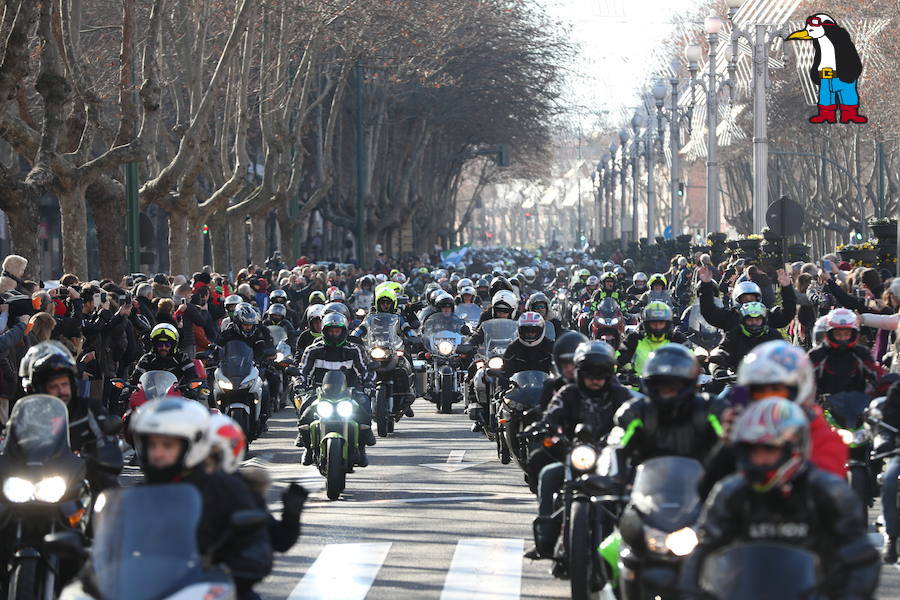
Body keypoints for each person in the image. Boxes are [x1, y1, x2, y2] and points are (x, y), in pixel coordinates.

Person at [678, 398, 879, 600]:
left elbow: (860, 557)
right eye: (753, 450)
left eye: (769, 449)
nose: (760, 459)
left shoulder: (827, 492)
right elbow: (704, 548)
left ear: (793, 448)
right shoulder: (730, 492)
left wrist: (850, 594)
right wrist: (691, 594)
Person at [131, 397, 272, 600]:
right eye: (152, 445)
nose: (157, 453)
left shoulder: (225, 488)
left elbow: (256, 544)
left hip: (211, 590)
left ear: (193, 445)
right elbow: (112, 546)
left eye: (167, 445)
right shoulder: (140, 495)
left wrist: (242, 565)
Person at [698, 340, 847, 499]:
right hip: (746, 517)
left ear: (797, 390)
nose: (769, 400)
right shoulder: (740, 427)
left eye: (777, 390)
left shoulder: (818, 432)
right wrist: (727, 445)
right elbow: (707, 494)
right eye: (760, 391)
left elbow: (833, 496)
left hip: (803, 517)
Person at [526, 341, 634, 559]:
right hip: (575, 456)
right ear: (579, 372)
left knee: (636, 484)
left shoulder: (621, 395)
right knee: (548, 475)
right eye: (589, 373)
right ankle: (546, 539)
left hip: (613, 459)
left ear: (609, 373)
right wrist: (544, 426)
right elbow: (553, 413)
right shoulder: (568, 393)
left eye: (601, 374)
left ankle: (637, 541)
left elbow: (638, 414)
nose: (595, 379)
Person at [19, 341, 122, 492]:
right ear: (40, 389)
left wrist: (99, 458)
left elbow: (105, 443)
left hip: (82, 481)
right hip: (36, 483)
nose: (61, 391)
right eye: (54, 386)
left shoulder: (89, 410)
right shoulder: (28, 415)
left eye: (64, 384)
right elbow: (12, 446)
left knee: (110, 494)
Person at [611, 344, 721, 469]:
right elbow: (616, 450)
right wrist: (613, 479)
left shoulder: (710, 409)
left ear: (689, 384)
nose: (668, 391)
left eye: (675, 386)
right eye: (661, 385)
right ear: (650, 384)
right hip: (646, 485)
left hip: (702, 485)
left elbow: (732, 446)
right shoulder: (635, 412)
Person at [296, 312, 375, 466]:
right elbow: (303, 371)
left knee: (365, 407)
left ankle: (362, 448)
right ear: (325, 331)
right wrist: (300, 383)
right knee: (304, 415)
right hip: (319, 393)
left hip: (349, 393)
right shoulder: (313, 350)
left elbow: (365, 371)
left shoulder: (354, 350)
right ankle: (308, 448)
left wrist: (369, 385)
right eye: (331, 331)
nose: (334, 334)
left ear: (343, 331)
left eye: (337, 331)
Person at [696, 265, 797, 330]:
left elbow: (787, 313)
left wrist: (787, 287)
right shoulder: (730, 318)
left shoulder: (767, 317)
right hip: (736, 363)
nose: (753, 322)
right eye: (744, 300)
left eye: (752, 299)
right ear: (737, 300)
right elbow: (709, 312)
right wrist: (706, 285)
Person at [809, 307, 882, 395]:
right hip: (823, 405)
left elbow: (876, 373)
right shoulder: (817, 355)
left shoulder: (862, 353)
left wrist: (885, 385)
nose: (843, 338)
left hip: (857, 405)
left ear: (853, 334)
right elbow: (804, 380)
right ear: (830, 334)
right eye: (838, 334)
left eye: (847, 334)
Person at [708, 302, 784, 378]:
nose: (754, 323)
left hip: (771, 380)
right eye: (750, 320)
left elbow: (786, 354)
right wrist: (718, 368)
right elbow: (724, 351)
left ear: (764, 321)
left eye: (757, 320)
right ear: (743, 321)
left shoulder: (774, 336)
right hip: (738, 380)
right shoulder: (733, 335)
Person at [617, 301, 689, 375]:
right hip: (639, 385)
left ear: (667, 324)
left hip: (672, 384)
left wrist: (700, 357)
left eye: (661, 323)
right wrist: (625, 367)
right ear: (647, 324)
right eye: (653, 323)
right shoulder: (634, 339)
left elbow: (691, 358)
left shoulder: (677, 339)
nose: (657, 326)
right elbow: (618, 357)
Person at [129, 323, 198, 386]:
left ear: (173, 345)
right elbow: (134, 379)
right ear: (155, 345)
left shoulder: (182, 357)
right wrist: (127, 390)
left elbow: (192, 376)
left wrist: (190, 388)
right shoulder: (147, 359)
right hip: (152, 396)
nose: (163, 347)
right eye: (160, 344)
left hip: (177, 397)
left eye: (167, 345)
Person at [501, 312, 554, 378]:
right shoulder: (513, 348)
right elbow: (506, 371)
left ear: (541, 330)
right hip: (518, 386)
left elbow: (558, 369)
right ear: (520, 331)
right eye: (526, 331)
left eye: (533, 331)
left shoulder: (551, 346)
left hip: (546, 386)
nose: (530, 334)